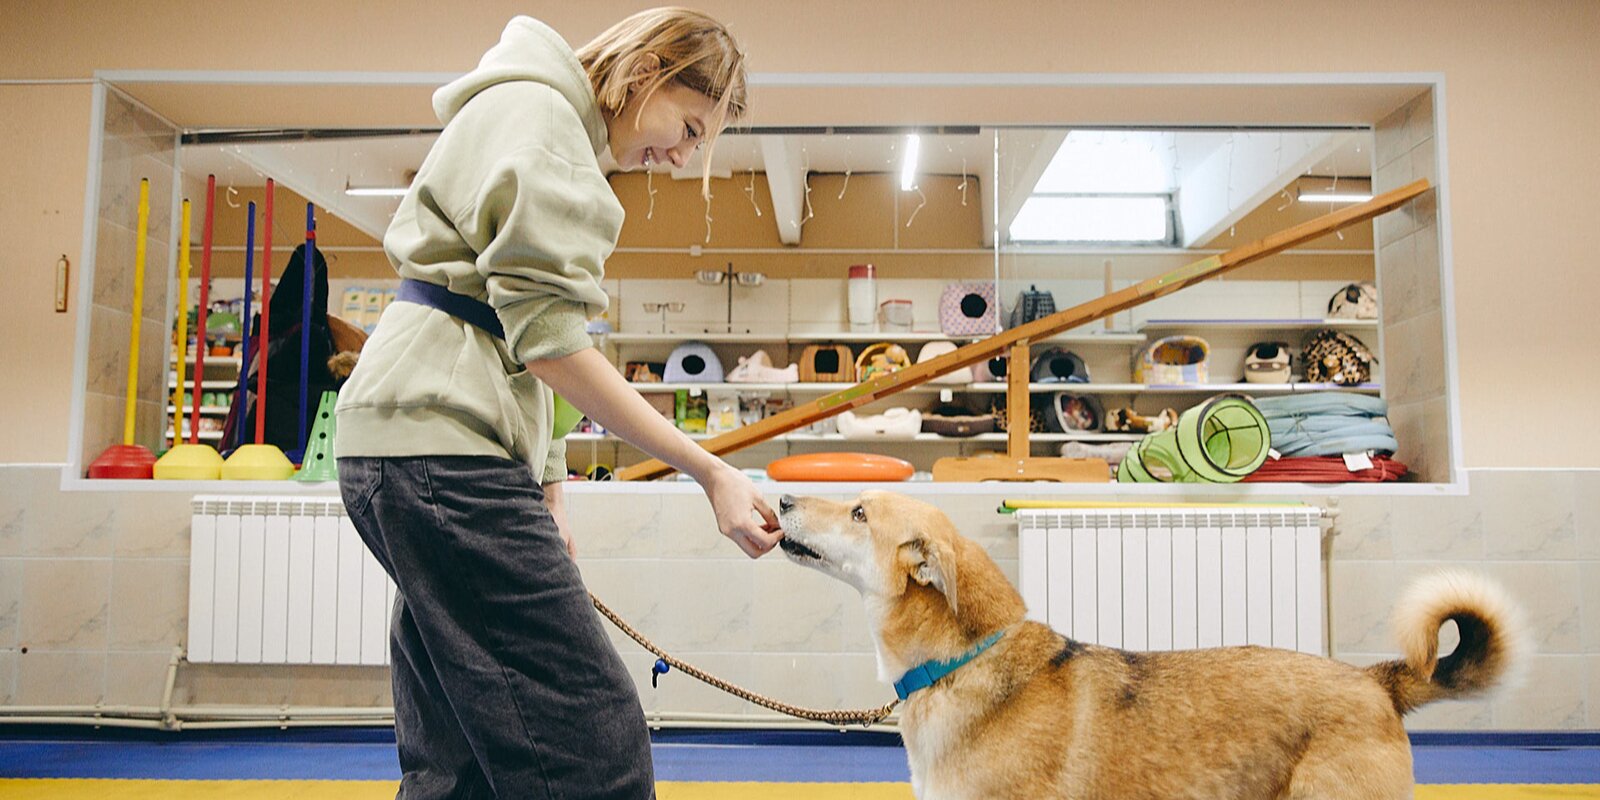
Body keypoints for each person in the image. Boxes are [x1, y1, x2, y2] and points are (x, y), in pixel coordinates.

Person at [334, 10, 774, 798]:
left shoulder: (534, 115)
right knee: (594, 753)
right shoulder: (543, 122)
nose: (681, 154)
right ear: (650, 72)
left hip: (415, 444)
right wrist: (708, 470)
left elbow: (520, 332)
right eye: (689, 124)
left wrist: (550, 487)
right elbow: (547, 342)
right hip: (444, 451)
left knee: (460, 755)